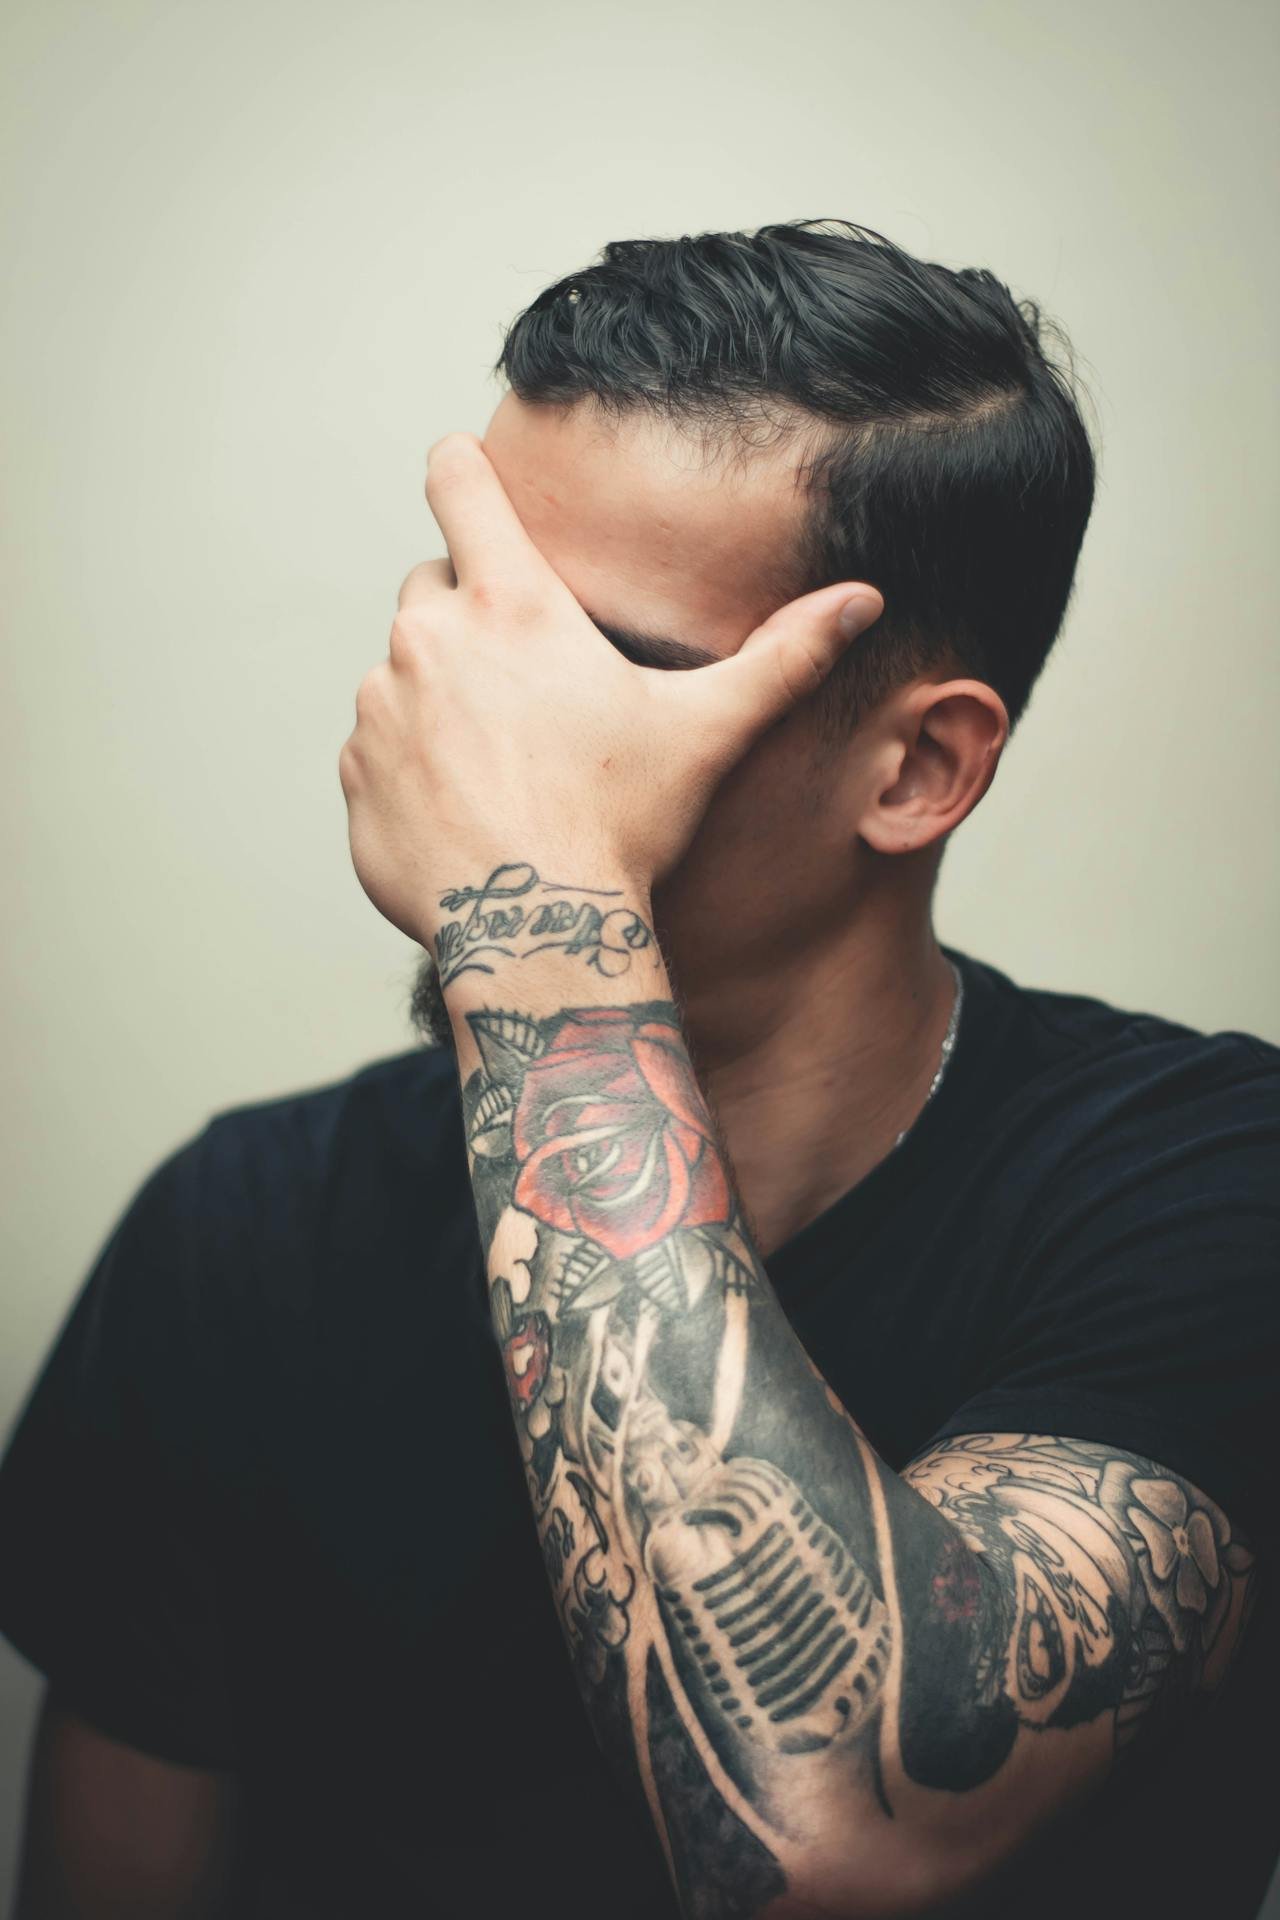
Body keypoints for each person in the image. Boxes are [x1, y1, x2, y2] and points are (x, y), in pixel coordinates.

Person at [2, 219, 1276, 1920]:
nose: (476, 731)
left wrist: (528, 912)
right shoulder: (245, 1230)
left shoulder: (1209, 1190)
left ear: (917, 767)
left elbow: (841, 1823)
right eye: (481, 627)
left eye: (602, 668)